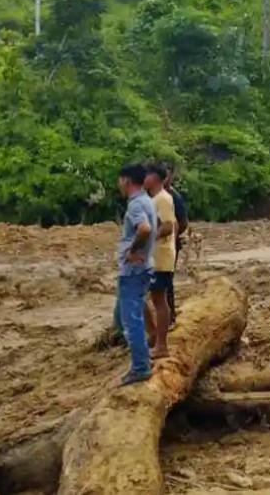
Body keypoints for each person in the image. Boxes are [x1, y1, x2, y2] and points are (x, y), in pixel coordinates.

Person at [115, 163, 158, 386]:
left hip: (133, 271)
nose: (118, 185)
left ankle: (141, 367)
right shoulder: (148, 200)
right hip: (142, 268)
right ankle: (143, 352)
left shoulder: (135, 206)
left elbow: (145, 228)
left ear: (126, 180)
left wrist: (133, 250)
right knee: (121, 315)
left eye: (119, 180)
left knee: (131, 321)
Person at [144, 162, 177, 359]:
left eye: (146, 175)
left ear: (155, 177)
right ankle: (156, 336)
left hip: (161, 256)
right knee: (150, 298)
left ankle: (161, 344)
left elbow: (168, 227)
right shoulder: (155, 199)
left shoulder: (163, 199)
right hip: (154, 256)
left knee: (158, 300)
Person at [164, 165, 189, 323]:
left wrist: (172, 235)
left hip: (170, 245)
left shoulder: (175, 197)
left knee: (166, 280)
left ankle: (170, 315)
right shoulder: (153, 196)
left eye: (167, 176)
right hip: (156, 245)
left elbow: (183, 222)